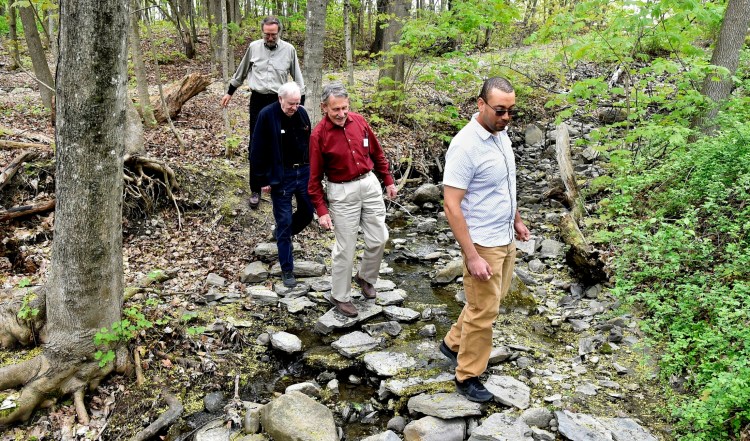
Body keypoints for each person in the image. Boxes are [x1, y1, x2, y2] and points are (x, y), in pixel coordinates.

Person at [438, 77, 531, 402]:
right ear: (481, 104)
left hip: (505, 236)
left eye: (511, 111)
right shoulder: (465, 146)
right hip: (482, 244)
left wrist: (517, 221)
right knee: (484, 312)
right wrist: (472, 256)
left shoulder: (501, 136)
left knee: (488, 302)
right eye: (500, 111)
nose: (506, 118)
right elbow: (451, 205)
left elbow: (505, 185)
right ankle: (468, 375)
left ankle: (451, 343)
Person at [308, 83, 398, 318]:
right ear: (324, 107)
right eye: (335, 109)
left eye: (344, 108)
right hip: (341, 192)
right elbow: (314, 178)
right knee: (346, 248)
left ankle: (365, 277)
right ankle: (340, 296)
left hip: (369, 184)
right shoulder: (319, 135)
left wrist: (387, 180)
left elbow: (377, 152)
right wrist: (322, 210)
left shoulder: (359, 121)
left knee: (380, 238)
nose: (341, 114)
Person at [220, 16, 305, 210]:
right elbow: (241, 73)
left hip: (279, 101)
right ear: (262, 32)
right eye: (266, 34)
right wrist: (229, 92)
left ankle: (279, 184)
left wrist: (300, 105)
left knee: (280, 142)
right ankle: (255, 188)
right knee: (257, 144)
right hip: (258, 100)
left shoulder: (289, 50)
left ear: (279, 33)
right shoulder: (253, 47)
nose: (269, 38)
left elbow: (298, 79)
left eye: (273, 34)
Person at [251, 82, 313, 288]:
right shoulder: (267, 115)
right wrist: (262, 180)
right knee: (284, 220)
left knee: (307, 212)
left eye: (297, 103)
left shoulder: (302, 113)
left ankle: (280, 234)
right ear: (280, 99)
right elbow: (257, 149)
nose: (294, 107)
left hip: (303, 171)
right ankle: (287, 269)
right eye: (291, 104)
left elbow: (309, 141)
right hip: (281, 175)